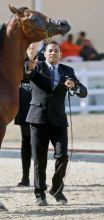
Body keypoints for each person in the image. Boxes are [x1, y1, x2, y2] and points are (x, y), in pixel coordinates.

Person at [25, 41, 88, 206]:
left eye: (56, 51)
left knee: (63, 157)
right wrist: (30, 57)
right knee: (40, 159)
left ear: (61, 54)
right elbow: (26, 73)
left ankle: (56, 188)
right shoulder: (37, 66)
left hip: (59, 120)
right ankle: (40, 193)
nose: (53, 53)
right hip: (38, 119)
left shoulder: (68, 70)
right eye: (50, 50)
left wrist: (74, 86)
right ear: (44, 53)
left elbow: (83, 92)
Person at [15, 42, 41, 187]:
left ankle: (39, 176)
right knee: (26, 139)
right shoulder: (19, 58)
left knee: (40, 140)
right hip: (25, 99)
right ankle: (25, 176)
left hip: (41, 97)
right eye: (30, 45)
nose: (32, 46)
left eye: (35, 44)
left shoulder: (44, 57)